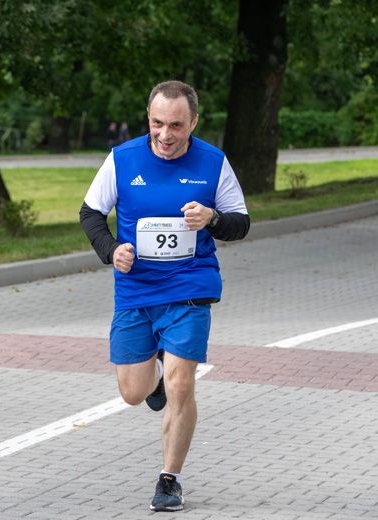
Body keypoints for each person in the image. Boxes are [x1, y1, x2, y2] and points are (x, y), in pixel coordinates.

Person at [79, 80, 250, 512]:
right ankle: (151, 376)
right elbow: (91, 213)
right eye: (157, 123)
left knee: (180, 383)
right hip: (136, 289)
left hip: (190, 287)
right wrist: (110, 250)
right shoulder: (123, 159)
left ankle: (169, 479)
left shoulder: (213, 162)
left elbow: (241, 223)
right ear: (148, 118)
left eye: (176, 125)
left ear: (194, 122)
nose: (165, 134)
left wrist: (212, 218)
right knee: (133, 393)